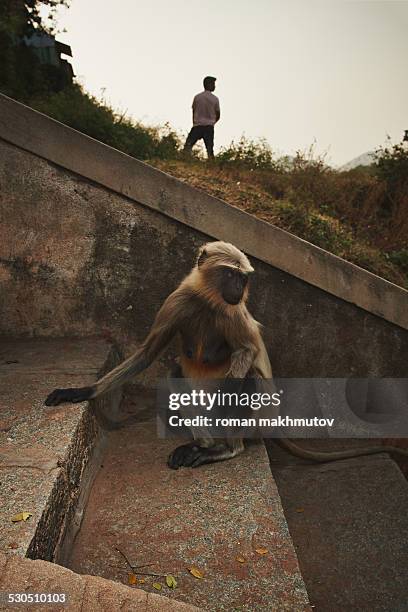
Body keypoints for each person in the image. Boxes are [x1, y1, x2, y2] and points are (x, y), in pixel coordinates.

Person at [184, 76, 220, 159]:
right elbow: (218, 114)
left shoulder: (197, 97)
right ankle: (211, 164)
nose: (214, 86)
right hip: (209, 126)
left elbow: (194, 110)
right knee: (210, 149)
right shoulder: (215, 99)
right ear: (209, 85)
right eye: (213, 84)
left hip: (197, 125)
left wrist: (194, 122)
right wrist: (212, 122)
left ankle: (185, 159)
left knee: (188, 145)